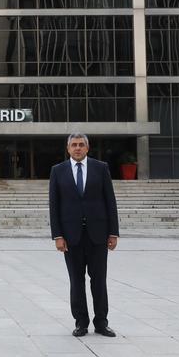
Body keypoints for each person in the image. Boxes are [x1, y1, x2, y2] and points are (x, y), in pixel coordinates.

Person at [48, 133, 119, 338]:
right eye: (73, 145)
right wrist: (58, 236)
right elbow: (54, 206)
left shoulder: (101, 168)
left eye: (81, 145)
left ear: (87, 148)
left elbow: (110, 202)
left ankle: (101, 322)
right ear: (68, 149)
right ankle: (81, 322)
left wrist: (113, 232)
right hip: (71, 237)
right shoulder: (58, 171)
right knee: (76, 281)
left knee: (99, 281)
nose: (77, 148)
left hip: (98, 235)